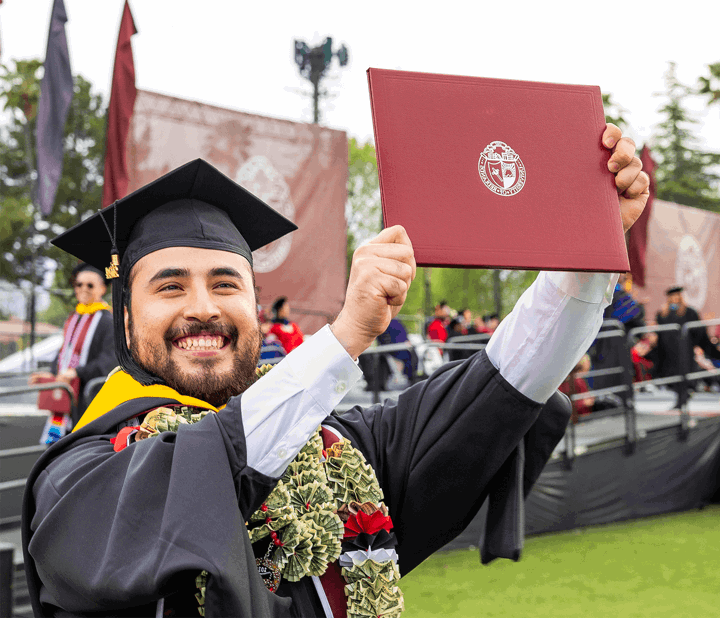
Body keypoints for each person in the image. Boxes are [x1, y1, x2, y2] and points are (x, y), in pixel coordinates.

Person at [22, 129, 648, 617]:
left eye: (224, 284)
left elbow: (500, 385)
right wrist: (345, 336)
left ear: (255, 306)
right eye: (169, 286)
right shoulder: (83, 481)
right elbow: (200, 469)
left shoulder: (334, 457)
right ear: (126, 322)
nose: (204, 307)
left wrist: (588, 251)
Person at [29, 262, 116, 444]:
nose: (83, 289)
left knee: (81, 447)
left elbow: (109, 360)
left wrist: (77, 372)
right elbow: (64, 353)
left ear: (102, 288)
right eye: (79, 284)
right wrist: (52, 374)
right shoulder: (74, 318)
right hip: (66, 396)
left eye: (90, 285)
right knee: (58, 446)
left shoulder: (107, 321)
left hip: (88, 398)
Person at [655, 286, 720, 408]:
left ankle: (682, 399)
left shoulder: (689, 312)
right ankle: (681, 398)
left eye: (677, 296)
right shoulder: (662, 314)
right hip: (668, 352)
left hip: (684, 350)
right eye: (672, 296)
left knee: (683, 374)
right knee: (671, 376)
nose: (675, 298)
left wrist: (707, 348)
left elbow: (698, 332)